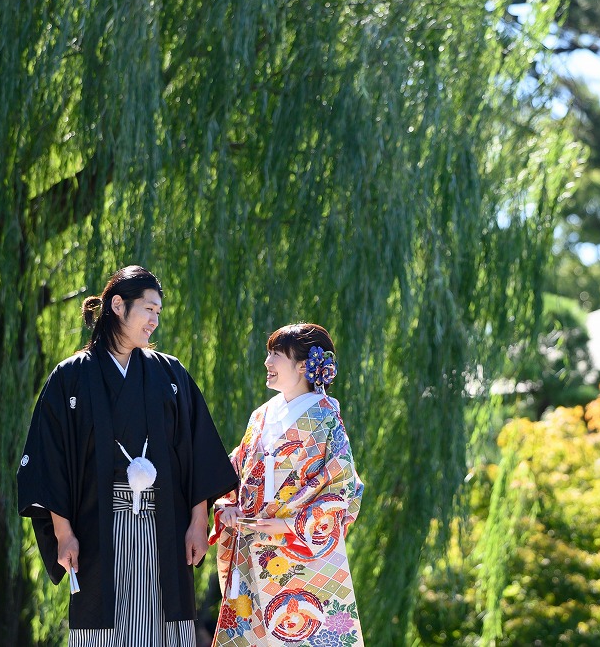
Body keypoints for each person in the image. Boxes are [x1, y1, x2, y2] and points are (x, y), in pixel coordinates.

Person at [18, 265, 238, 647]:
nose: (155, 321)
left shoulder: (170, 374)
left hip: (164, 524)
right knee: (103, 628)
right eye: (148, 309)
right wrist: (63, 533)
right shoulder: (70, 377)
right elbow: (50, 461)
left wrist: (198, 520)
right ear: (118, 306)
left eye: (158, 312)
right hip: (98, 529)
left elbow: (196, 450)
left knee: (165, 626)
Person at [210, 323, 365, 646]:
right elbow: (239, 466)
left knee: (300, 631)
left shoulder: (326, 417)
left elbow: (342, 485)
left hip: (297, 548)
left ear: (303, 366)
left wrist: (289, 524)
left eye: (276, 354)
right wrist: (230, 505)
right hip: (252, 541)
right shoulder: (262, 415)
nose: (267, 362)